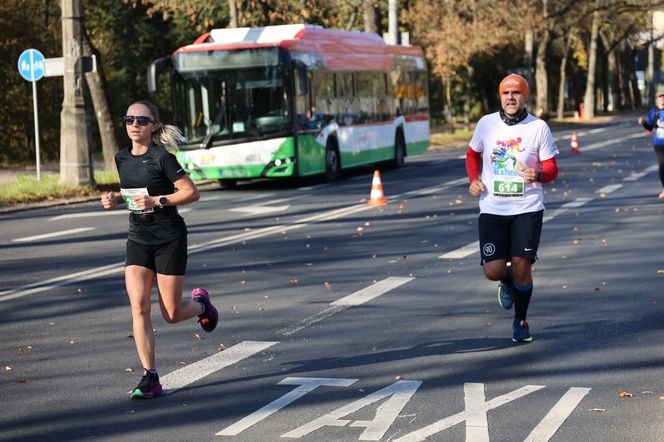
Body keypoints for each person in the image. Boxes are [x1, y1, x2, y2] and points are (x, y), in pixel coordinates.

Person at [101, 100, 219, 399]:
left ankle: (202, 306)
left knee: (171, 312)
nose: (134, 125)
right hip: (138, 238)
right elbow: (133, 192)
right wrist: (117, 197)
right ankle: (150, 377)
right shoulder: (121, 158)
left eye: (141, 120)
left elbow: (191, 192)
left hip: (169, 238)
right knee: (139, 307)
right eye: (129, 119)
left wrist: (158, 201)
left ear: (154, 125)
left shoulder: (162, 157)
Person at [465, 73, 559, 343]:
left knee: (522, 266)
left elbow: (552, 168)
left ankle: (521, 320)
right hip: (493, 208)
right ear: (500, 96)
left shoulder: (538, 127)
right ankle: (506, 281)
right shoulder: (486, 124)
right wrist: (474, 179)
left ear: (524, 96)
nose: (510, 97)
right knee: (493, 271)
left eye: (516, 93)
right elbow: (473, 154)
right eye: (506, 93)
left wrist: (538, 175)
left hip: (527, 207)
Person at [638, 86, 664, 199]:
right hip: (659, 143)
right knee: (662, 166)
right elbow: (650, 127)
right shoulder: (653, 111)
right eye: (660, 97)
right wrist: (644, 123)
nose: (662, 99)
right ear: (657, 99)